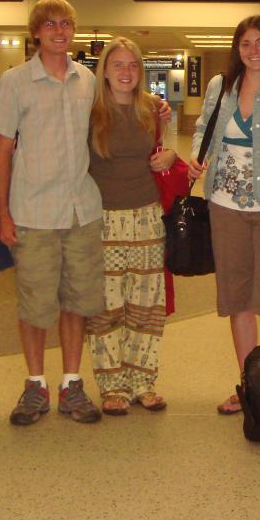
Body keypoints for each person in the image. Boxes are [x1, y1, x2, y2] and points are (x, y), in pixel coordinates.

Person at [0, 0, 105, 426]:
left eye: (66, 24)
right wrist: (3, 214)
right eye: (50, 24)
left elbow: (106, 132)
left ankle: (71, 384)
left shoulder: (88, 80)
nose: (59, 31)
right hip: (33, 213)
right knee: (36, 305)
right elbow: (1, 151)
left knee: (76, 302)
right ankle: (35, 385)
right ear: (36, 32)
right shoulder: (16, 82)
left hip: (80, 210)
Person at [187, 16, 260, 415]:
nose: (253, 51)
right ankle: (249, 386)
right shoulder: (221, 86)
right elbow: (204, 128)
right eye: (246, 43)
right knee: (238, 299)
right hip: (224, 206)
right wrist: (198, 159)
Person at [86, 37, 178, 415]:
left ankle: (143, 381)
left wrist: (171, 153)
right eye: (118, 65)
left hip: (146, 216)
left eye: (133, 65)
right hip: (102, 219)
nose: (126, 72)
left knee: (146, 305)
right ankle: (112, 386)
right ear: (104, 70)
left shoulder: (153, 109)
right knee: (107, 308)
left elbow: (167, 150)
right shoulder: (88, 110)